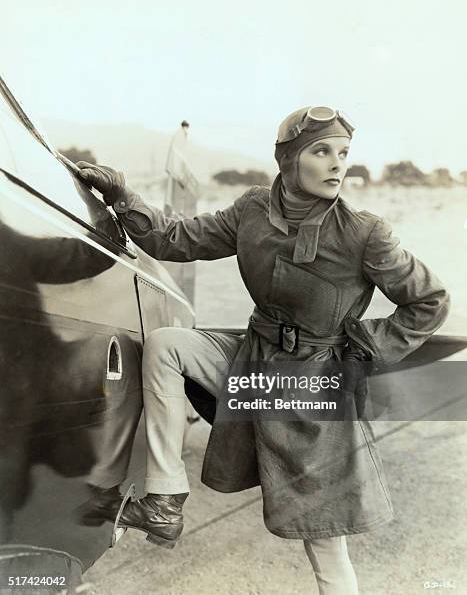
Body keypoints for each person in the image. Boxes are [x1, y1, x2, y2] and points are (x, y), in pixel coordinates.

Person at [77, 106, 450, 595]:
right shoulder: (253, 208)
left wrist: (359, 349)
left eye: (343, 153)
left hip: (311, 386)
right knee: (168, 346)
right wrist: (124, 198)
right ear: (289, 159)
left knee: (326, 543)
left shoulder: (365, 232)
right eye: (322, 152)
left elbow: (430, 301)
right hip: (252, 359)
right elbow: (176, 238)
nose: (338, 164)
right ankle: (164, 501)